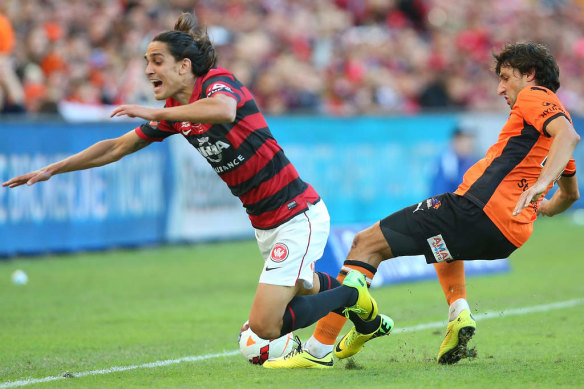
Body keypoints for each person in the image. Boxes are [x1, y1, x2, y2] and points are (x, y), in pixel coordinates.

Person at [2, 12, 387, 366]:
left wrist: (158, 112)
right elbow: (117, 146)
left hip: (297, 213)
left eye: (157, 61)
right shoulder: (177, 111)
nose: (149, 70)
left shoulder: (217, 82)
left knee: (266, 326)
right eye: (146, 62)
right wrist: (53, 169)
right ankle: (362, 310)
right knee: (304, 286)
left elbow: (223, 110)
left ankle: (353, 297)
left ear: (184, 66)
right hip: (265, 222)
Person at [265, 41, 580, 368]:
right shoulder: (549, 139)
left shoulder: (535, 96)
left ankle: (321, 347)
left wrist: (541, 185)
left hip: (477, 211)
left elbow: (569, 136)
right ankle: (458, 312)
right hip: (509, 235)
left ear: (529, 75)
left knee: (365, 244)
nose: (500, 87)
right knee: (444, 245)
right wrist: (542, 206)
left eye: (506, 77)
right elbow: (569, 195)